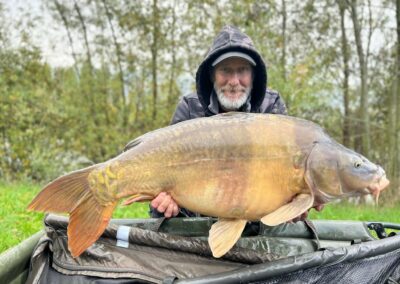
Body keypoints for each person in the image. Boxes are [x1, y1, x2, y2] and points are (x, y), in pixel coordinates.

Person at [136, 25, 322, 219]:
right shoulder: (190, 108)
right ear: (212, 75)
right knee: (161, 212)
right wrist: (168, 204)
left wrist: (295, 204)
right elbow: (165, 173)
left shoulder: (270, 108)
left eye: (242, 71)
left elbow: (287, 179)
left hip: (255, 218)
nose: (234, 81)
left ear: (253, 76)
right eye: (225, 71)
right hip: (201, 220)